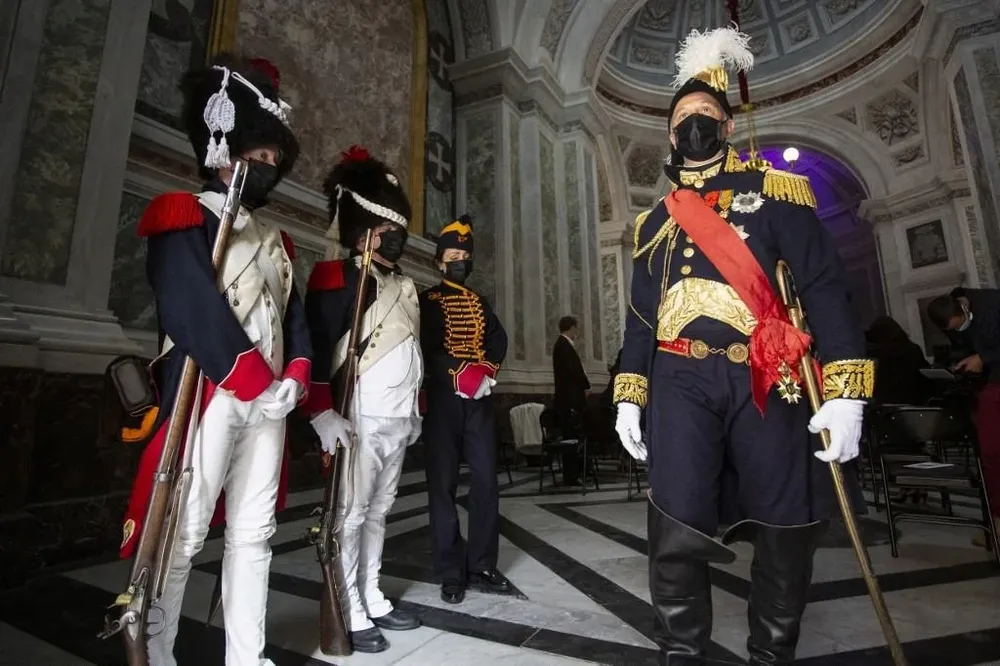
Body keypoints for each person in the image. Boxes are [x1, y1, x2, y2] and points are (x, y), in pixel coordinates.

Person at [612, 27, 872, 665]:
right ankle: (680, 650)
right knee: (674, 520)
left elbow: (823, 287)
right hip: (678, 383)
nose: (694, 125)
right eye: (683, 119)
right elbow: (642, 320)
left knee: (786, 520)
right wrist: (628, 395)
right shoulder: (653, 224)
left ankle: (771, 653)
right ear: (670, 137)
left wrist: (847, 392)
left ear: (726, 129)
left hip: (766, 373)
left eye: (707, 116)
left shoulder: (775, 193)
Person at [119, 56, 311, 666]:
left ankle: (246, 656)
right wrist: (255, 381)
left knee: (255, 535)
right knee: (181, 537)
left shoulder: (275, 242)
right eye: (260, 158)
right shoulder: (183, 215)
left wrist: (296, 378)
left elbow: (294, 321)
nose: (269, 171)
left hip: (269, 402)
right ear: (226, 149)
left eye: (275, 163)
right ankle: (158, 652)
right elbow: (190, 308)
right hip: (209, 395)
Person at [301, 146, 423, 653]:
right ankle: (346, 605)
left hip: (400, 416)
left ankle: (371, 594)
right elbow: (311, 341)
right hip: (360, 415)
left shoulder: (406, 285)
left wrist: (417, 410)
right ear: (363, 231)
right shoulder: (336, 278)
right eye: (383, 228)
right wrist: (322, 409)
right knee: (349, 514)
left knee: (380, 511)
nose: (394, 237)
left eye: (397, 228)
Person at [420, 215, 511, 604]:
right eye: (453, 255)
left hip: (480, 402)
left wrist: (487, 372)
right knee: (442, 486)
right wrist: (459, 376)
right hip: (444, 400)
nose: (460, 261)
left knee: (486, 481)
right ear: (440, 262)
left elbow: (497, 338)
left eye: (464, 255)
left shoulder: (479, 301)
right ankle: (450, 569)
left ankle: (483, 563)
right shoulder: (429, 300)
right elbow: (430, 347)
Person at [927, 288, 1000, 546]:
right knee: (991, 453)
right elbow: (966, 345)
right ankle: (996, 524)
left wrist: (984, 357)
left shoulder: (992, 305)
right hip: (993, 383)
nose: (958, 332)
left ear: (964, 307)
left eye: (960, 327)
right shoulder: (952, 317)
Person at [552, 315, 590, 485]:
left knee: (573, 437)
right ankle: (571, 475)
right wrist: (585, 386)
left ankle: (576, 472)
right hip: (570, 400)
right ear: (572, 327)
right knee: (571, 438)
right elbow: (574, 371)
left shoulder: (562, 345)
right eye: (577, 328)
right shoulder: (563, 346)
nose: (578, 332)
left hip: (569, 399)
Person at [865, 315, 932, 405]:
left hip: (885, 404)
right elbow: (924, 375)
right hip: (913, 401)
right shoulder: (912, 349)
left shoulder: (875, 353)